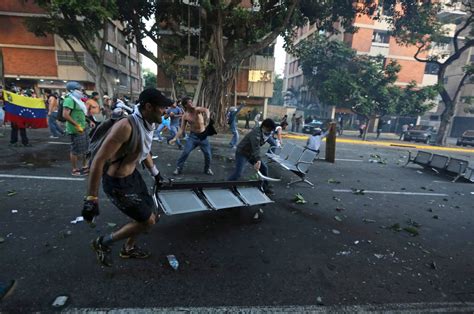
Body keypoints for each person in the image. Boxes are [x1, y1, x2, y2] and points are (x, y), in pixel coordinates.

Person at [83, 88, 173, 267]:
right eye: (162, 108)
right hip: (118, 184)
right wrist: (91, 198)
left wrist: (156, 174)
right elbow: (98, 161)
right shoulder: (125, 127)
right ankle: (103, 242)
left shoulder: (149, 122)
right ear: (148, 107)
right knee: (148, 221)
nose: (165, 111)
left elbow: (144, 149)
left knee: (151, 214)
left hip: (133, 177)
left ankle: (128, 248)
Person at [228, 118, 276, 194]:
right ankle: (227, 185)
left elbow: (273, 143)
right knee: (238, 173)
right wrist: (258, 160)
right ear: (264, 127)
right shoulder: (256, 134)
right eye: (268, 130)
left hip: (251, 153)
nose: (269, 132)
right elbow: (256, 148)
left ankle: (265, 187)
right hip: (242, 153)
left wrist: (276, 146)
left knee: (264, 168)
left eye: (271, 131)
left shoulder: (267, 134)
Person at [170, 96, 213, 175]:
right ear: (185, 105)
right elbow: (181, 129)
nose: (191, 103)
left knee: (208, 154)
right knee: (185, 152)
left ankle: (207, 169)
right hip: (193, 137)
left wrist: (208, 116)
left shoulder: (197, 110)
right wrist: (175, 138)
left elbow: (206, 110)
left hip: (203, 136)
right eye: (189, 102)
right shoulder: (185, 116)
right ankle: (178, 168)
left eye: (191, 101)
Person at [63, 81, 94, 176]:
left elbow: (81, 114)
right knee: (75, 150)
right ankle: (75, 169)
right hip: (75, 129)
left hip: (84, 127)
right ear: (72, 90)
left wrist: (89, 121)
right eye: (79, 89)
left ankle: (85, 166)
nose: (81, 91)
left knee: (86, 148)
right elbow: (65, 115)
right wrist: (77, 125)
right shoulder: (69, 100)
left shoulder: (79, 100)